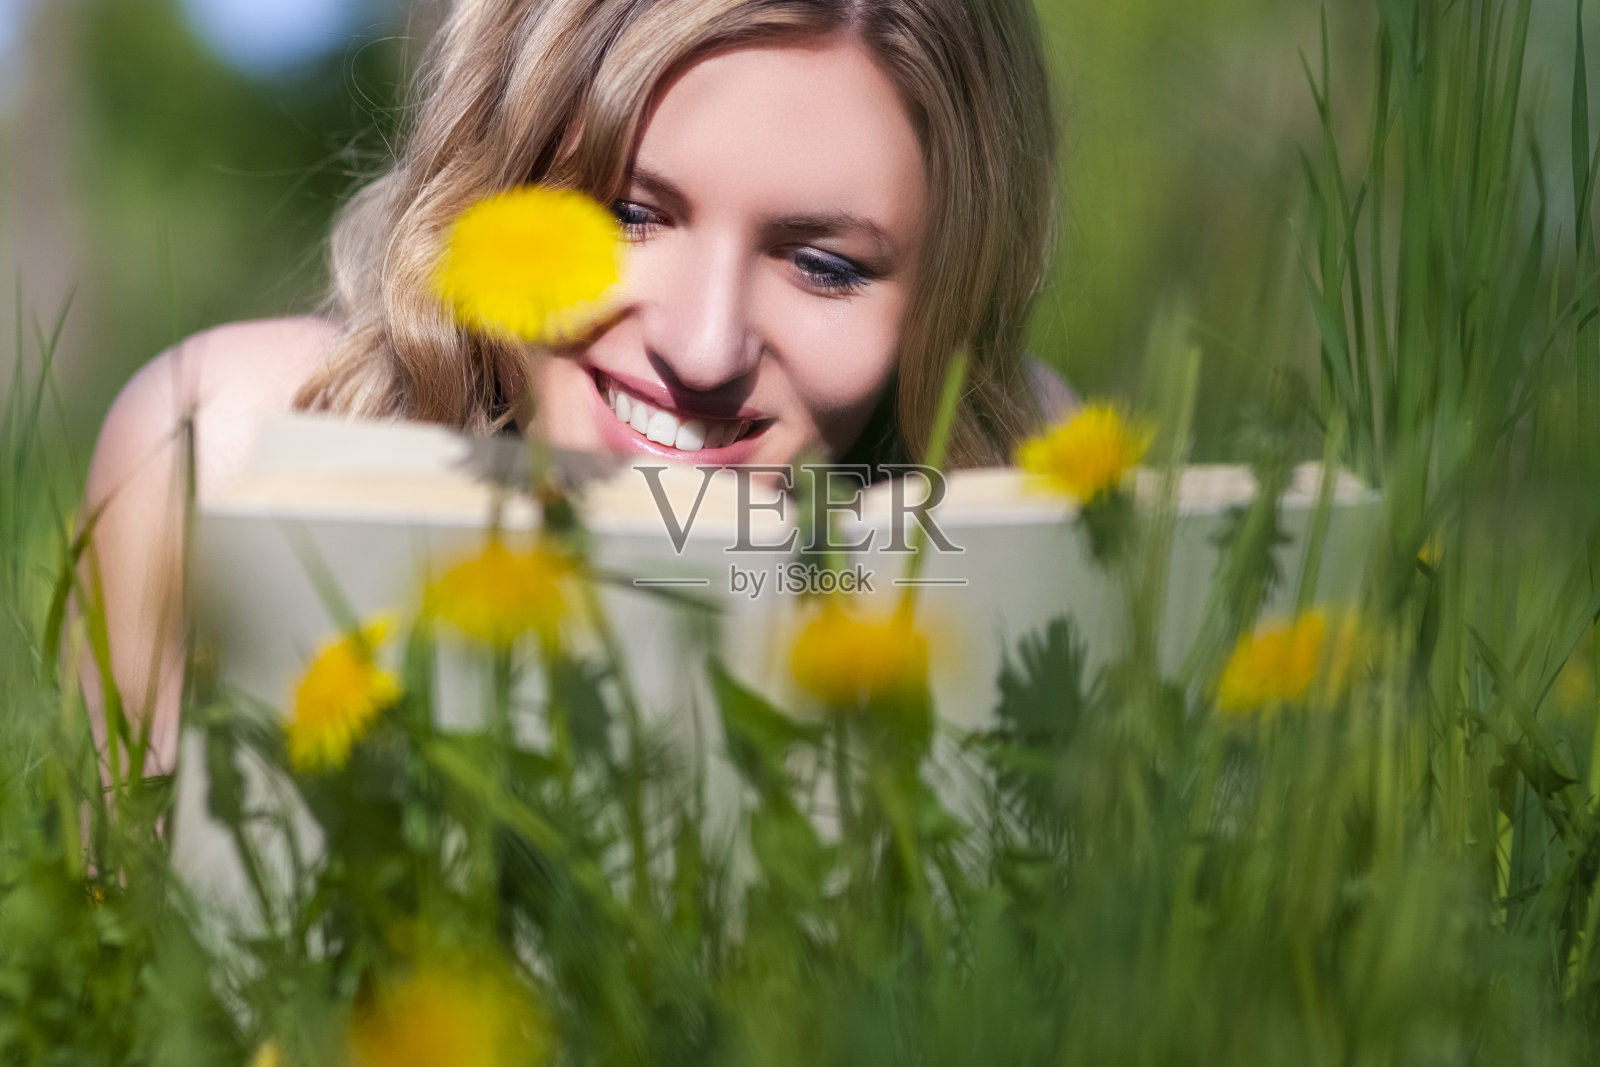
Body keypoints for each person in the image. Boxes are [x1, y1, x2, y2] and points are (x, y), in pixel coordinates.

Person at [81, 0, 1073, 772]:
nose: (702, 345)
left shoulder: (1032, 499)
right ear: (498, 175)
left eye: (822, 265)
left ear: (949, 297)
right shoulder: (224, 452)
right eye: (628, 214)